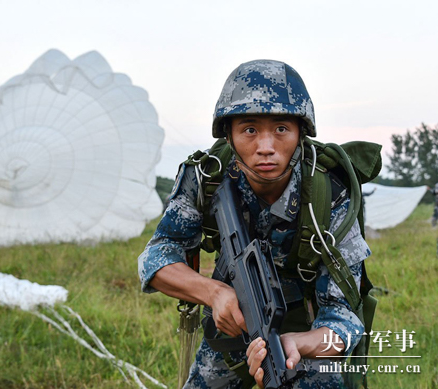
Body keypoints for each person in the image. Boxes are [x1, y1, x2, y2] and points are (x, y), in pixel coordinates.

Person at [138, 60, 372, 388]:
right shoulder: (206, 176)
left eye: (281, 129)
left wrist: (296, 346)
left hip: (307, 327)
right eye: (250, 130)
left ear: (300, 134)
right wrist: (214, 293)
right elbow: (155, 257)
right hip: (232, 319)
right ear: (230, 135)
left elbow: (345, 319)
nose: (265, 148)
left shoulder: (329, 191)